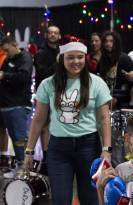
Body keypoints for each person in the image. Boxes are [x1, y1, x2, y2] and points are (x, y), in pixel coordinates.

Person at [24, 41, 112, 205]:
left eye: (79, 57)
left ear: (85, 59)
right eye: (70, 58)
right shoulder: (48, 84)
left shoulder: (97, 83)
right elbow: (39, 119)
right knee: (61, 199)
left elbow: (105, 118)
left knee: (90, 198)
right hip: (58, 149)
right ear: (62, 59)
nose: (75, 62)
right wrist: (29, 151)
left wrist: (107, 150)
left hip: (89, 147)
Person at [0, 36, 33, 178]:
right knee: (14, 138)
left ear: (14, 44)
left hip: (19, 105)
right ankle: (19, 166)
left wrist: (4, 75)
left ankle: (25, 169)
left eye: (7, 50)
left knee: (20, 138)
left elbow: (24, 77)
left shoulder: (25, 58)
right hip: (6, 106)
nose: (6, 54)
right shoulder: (7, 60)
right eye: (4, 51)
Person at [34, 25, 61, 173]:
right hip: (45, 93)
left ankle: (58, 156)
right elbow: (43, 73)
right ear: (46, 35)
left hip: (62, 93)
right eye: (50, 33)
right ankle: (46, 158)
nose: (52, 35)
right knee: (44, 126)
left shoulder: (63, 52)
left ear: (59, 35)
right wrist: (57, 63)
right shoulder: (40, 53)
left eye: (55, 33)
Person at [98, 31, 133, 109]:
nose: (108, 44)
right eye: (106, 41)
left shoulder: (124, 58)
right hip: (104, 99)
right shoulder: (102, 59)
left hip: (122, 102)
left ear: (116, 43)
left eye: (111, 41)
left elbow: (130, 83)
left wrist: (117, 99)